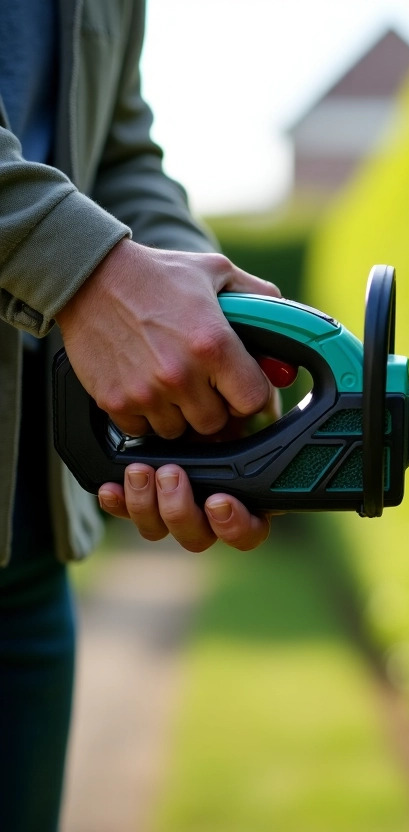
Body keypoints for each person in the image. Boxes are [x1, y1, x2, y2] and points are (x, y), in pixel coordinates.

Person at [2, 2, 279, 828]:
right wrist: (85, 270)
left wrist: (205, 331)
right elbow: (88, 248)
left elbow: (117, 155)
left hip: (24, 551)